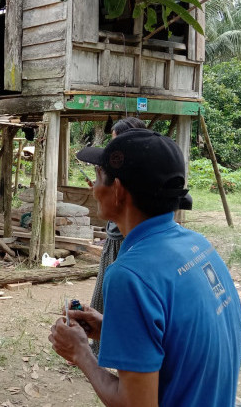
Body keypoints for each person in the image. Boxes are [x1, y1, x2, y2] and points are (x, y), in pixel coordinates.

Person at [49, 128, 241, 407]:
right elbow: (181, 344)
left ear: (117, 191)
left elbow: (135, 404)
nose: (93, 187)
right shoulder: (198, 246)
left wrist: (81, 353)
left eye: (98, 177)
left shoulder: (130, 276)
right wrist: (110, 328)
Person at [88, 116, 145, 355]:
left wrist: (81, 357)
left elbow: (130, 392)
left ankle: (105, 349)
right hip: (115, 236)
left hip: (121, 240)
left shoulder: (126, 270)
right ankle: (100, 344)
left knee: (113, 296)